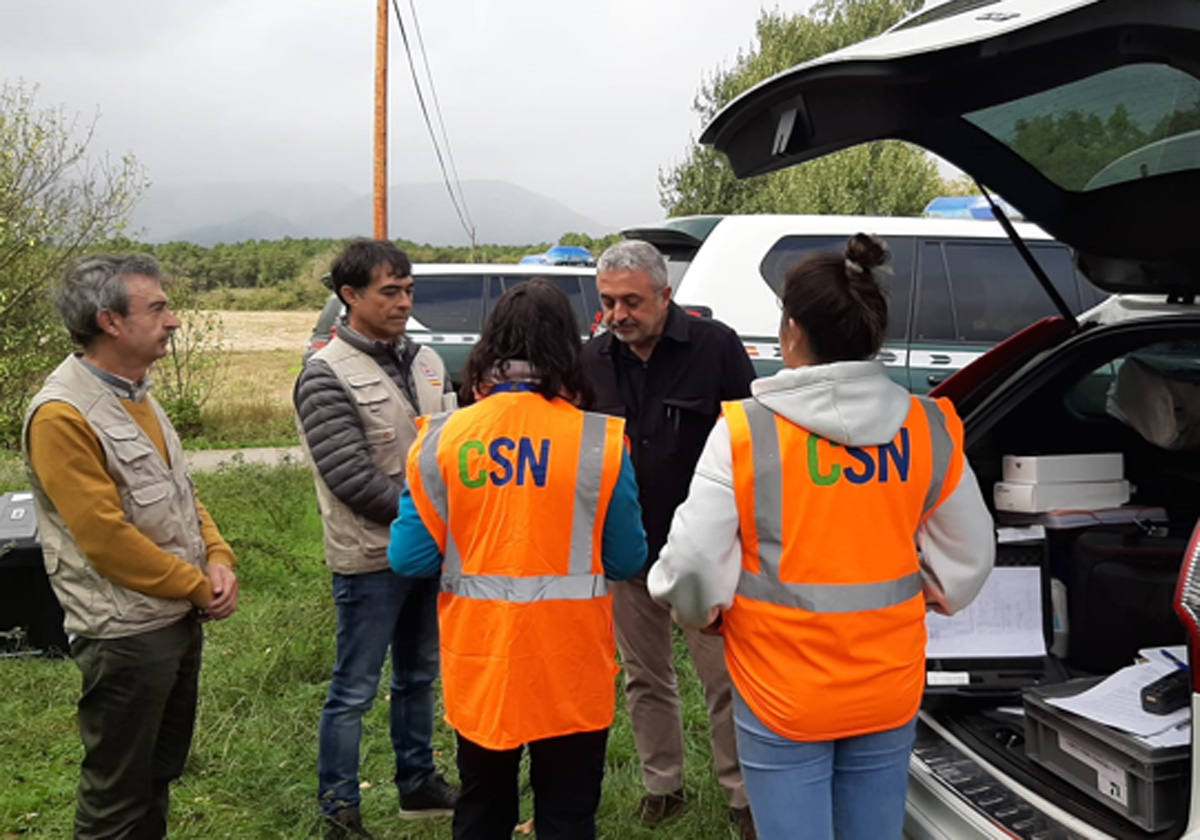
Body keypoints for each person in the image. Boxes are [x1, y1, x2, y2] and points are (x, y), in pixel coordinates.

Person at [648, 234, 995, 840]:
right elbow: (971, 555)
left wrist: (702, 615)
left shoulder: (746, 434)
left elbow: (694, 567)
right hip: (888, 681)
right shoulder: (928, 425)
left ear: (792, 331)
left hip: (780, 686)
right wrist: (938, 591)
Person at [388, 279, 647, 840]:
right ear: (567, 346)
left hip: (482, 662)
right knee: (568, 815)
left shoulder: (442, 439)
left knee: (482, 809)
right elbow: (628, 559)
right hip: (571, 665)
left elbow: (409, 557)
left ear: (489, 345)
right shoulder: (598, 442)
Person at [21, 253, 239, 839]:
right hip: (125, 634)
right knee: (116, 797)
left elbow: (181, 494)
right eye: (158, 307)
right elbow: (105, 539)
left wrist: (218, 556)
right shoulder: (63, 414)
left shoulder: (135, 392)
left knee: (156, 778)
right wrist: (198, 584)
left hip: (171, 618)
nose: (172, 320)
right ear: (110, 321)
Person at [581, 239, 757, 837]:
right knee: (644, 675)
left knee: (726, 680)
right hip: (627, 549)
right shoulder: (592, 360)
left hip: (705, 553)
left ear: (666, 294)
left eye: (632, 300)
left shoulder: (717, 349)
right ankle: (664, 786)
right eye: (608, 302)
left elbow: (747, 447)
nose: (619, 314)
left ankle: (742, 794)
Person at [294, 239, 459, 838]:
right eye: (390, 291)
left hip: (424, 554)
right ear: (350, 295)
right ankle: (339, 810)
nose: (404, 301)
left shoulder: (426, 361)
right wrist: (431, 520)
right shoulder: (324, 375)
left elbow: (445, 447)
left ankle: (418, 785)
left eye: (408, 289)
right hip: (368, 558)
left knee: (418, 676)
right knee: (354, 688)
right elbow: (349, 476)